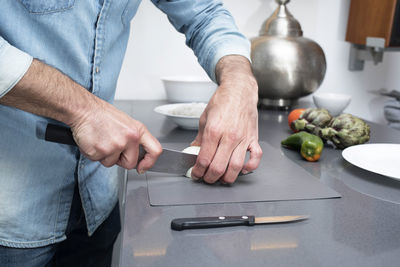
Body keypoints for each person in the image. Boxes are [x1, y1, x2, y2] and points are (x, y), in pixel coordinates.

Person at [0, 0, 262, 266]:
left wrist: (240, 82)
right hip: (11, 220)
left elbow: (204, 13)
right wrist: (84, 110)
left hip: (98, 204)